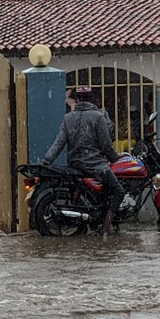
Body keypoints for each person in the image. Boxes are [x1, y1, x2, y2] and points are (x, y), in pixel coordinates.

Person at [41, 86, 125, 235]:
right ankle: (105, 230)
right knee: (118, 191)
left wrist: (46, 161)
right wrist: (114, 158)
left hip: (75, 165)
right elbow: (105, 144)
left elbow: (58, 143)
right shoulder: (98, 116)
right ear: (92, 99)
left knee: (105, 192)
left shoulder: (68, 118)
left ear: (77, 99)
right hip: (96, 166)